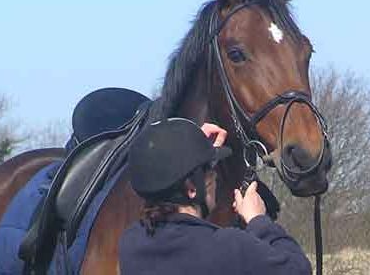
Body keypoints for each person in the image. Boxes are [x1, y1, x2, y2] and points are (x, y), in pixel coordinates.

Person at [120, 117, 311, 275]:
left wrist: (184, 148)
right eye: (210, 171)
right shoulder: (230, 248)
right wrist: (259, 220)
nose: (216, 175)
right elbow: (298, 269)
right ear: (192, 188)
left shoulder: (131, 244)